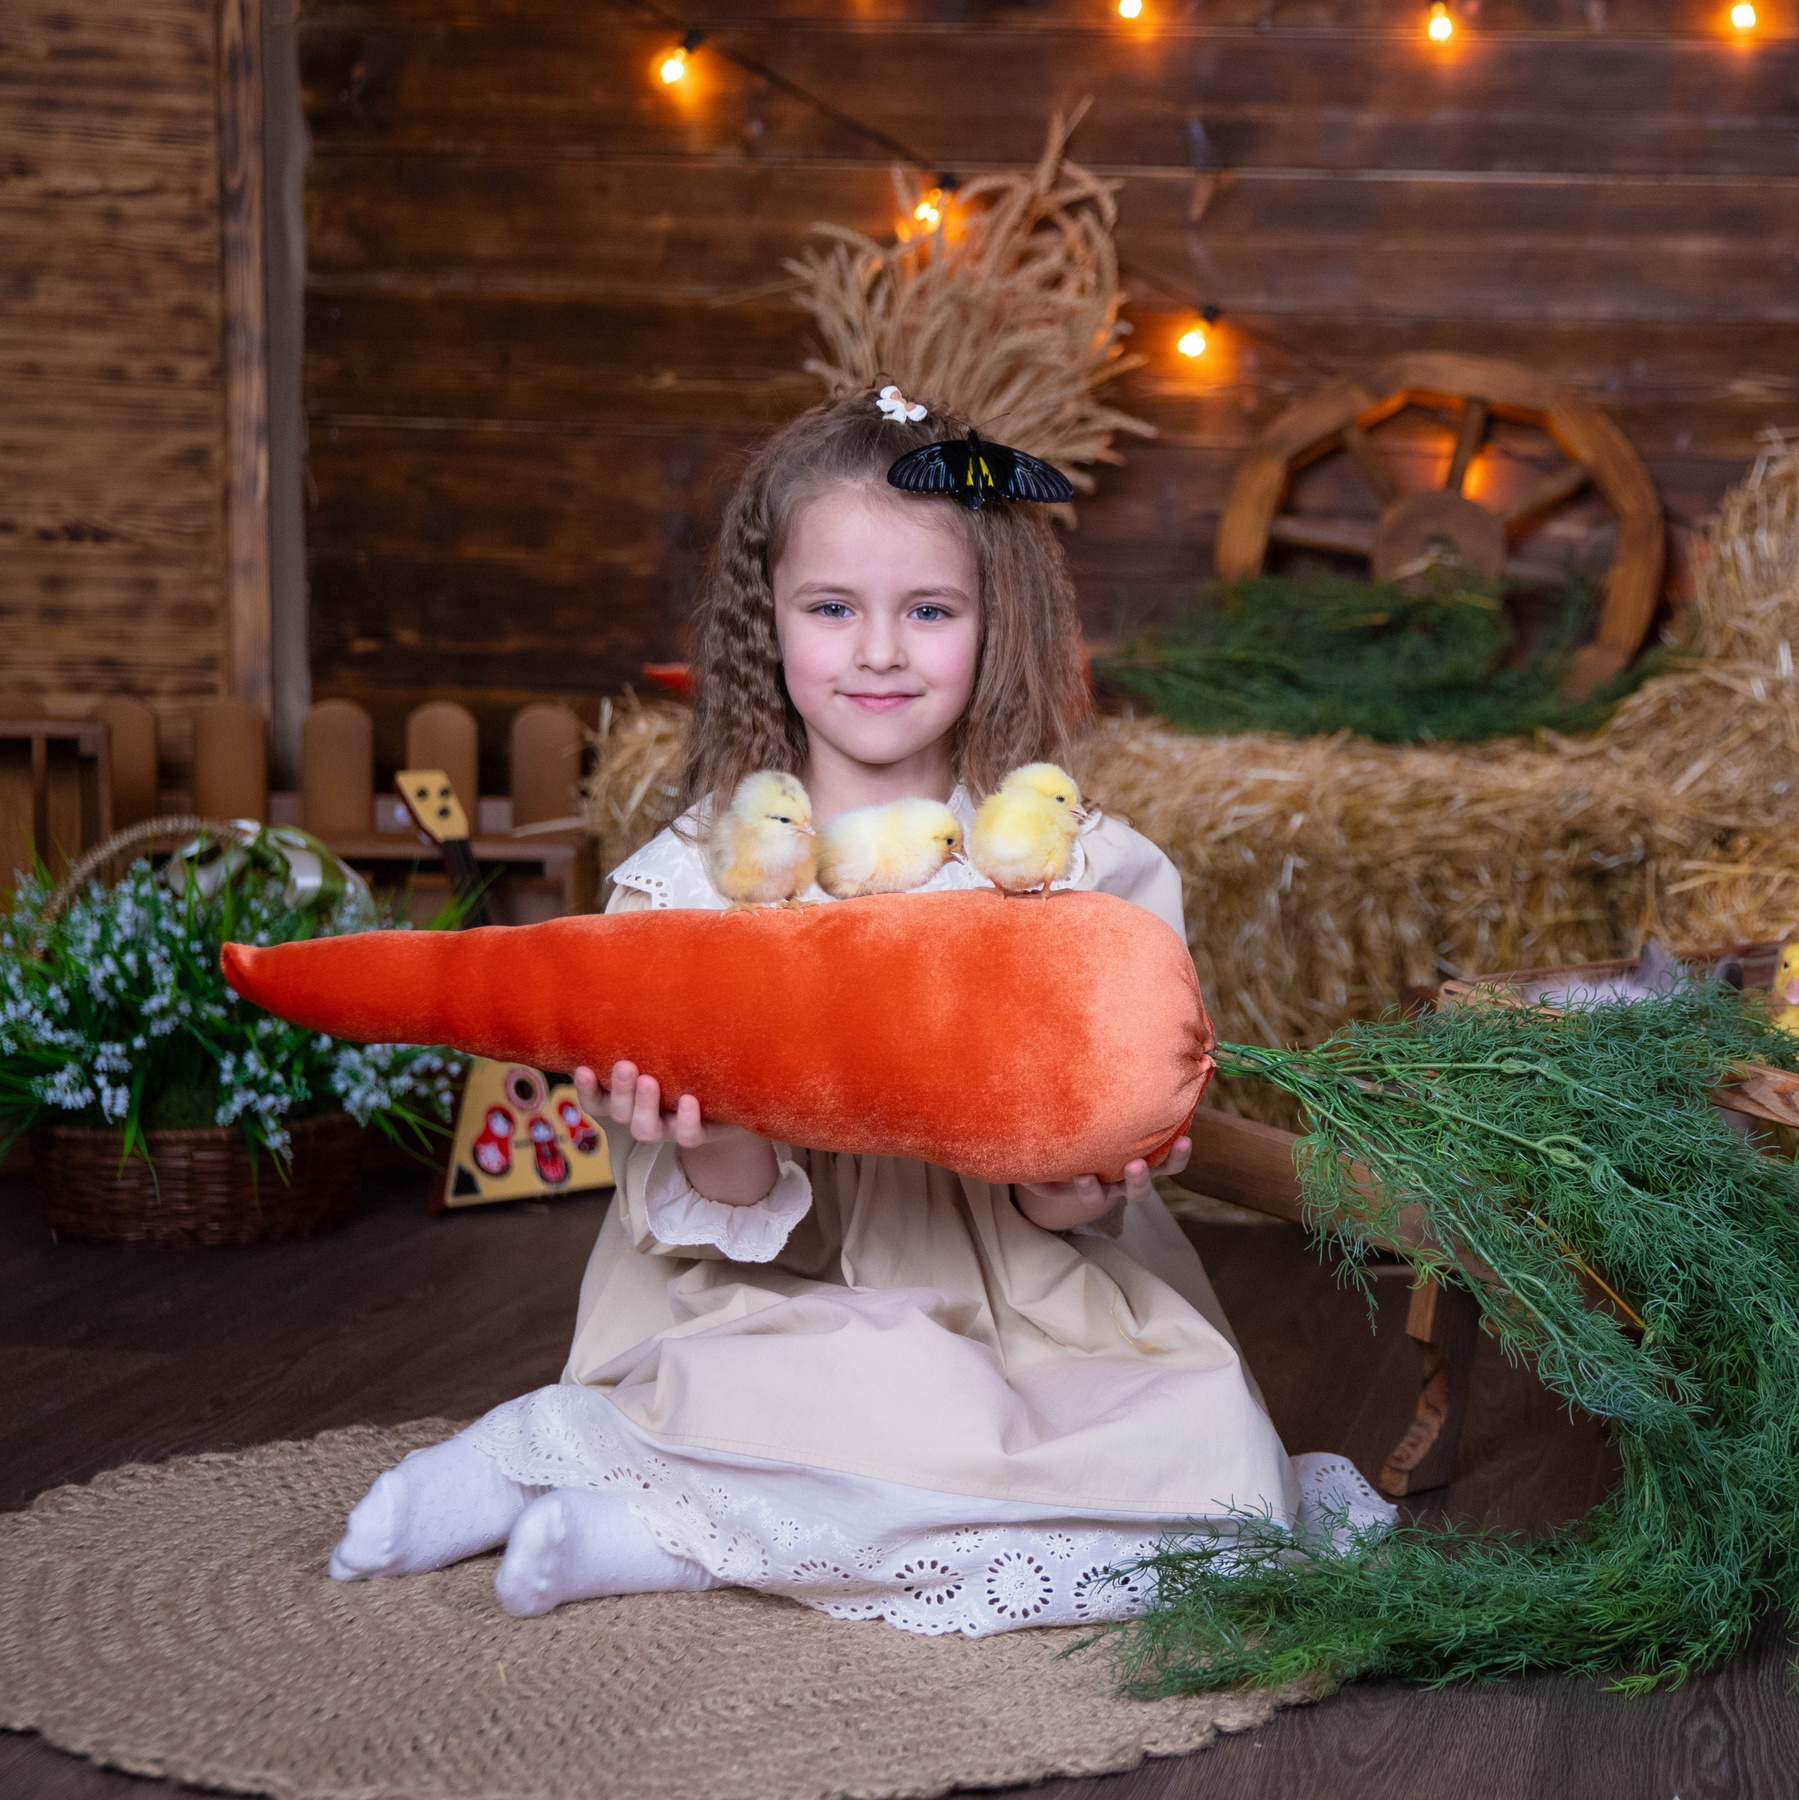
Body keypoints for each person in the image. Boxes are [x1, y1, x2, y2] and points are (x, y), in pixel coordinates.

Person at [327, 388, 1390, 1634]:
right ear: (763, 621)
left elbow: (1071, 1187)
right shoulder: (694, 884)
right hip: (775, 1295)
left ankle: (661, 1527)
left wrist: (1088, 1167)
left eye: (928, 611)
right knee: (861, 1367)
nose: (878, 651)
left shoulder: (1067, 868)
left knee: (1217, 1472)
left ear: (995, 626)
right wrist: (707, 1121)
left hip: (1029, 1295)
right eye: (832, 609)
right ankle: (548, 1452)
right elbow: (725, 1217)